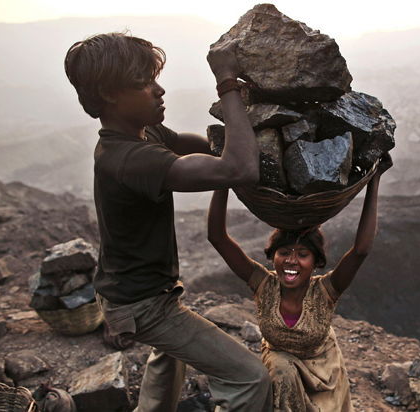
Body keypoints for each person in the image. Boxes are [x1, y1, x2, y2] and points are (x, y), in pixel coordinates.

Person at [64, 32, 271, 411]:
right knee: (249, 377)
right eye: (145, 83)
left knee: (168, 361)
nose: (159, 90)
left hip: (134, 291)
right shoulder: (129, 159)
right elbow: (239, 168)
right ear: (110, 94)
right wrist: (227, 84)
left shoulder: (144, 134)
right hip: (143, 305)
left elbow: (212, 149)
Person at [207, 160, 388, 411]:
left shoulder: (326, 290)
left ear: (316, 262)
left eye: (302, 254)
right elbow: (217, 237)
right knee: (281, 368)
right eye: (284, 252)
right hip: (280, 372)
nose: (291, 261)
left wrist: (373, 182)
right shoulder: (264, 285)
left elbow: (361, 250)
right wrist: (225, 176)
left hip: (323, 375)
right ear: (273, 256)